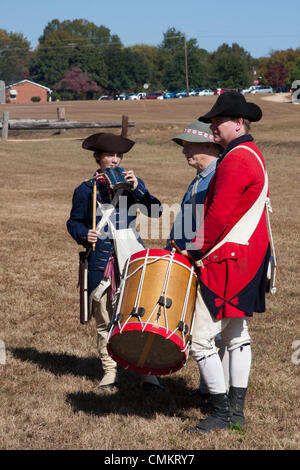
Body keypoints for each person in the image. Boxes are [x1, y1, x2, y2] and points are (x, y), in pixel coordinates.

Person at [182, 91, 270, 433]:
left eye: (219, 122)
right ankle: (236, 412)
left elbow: (219, 215)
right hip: (246, 257)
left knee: (202, 338)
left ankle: (221, 412)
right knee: (236, 334)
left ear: (239, 123)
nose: (213, 128)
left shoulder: (235, 159)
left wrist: (193, 250)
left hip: (226, 259)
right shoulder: (250, 153)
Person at [67, 132, 163, 391]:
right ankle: (110, 372)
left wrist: (138, 189)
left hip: (131, 259)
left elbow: (157, 211)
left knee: (140, 317)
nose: (115, 160)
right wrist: (83, 234)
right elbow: (74, 221)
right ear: (98, 158)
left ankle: (147, 373)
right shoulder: (86, 189)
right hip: (101, 262)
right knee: (104, 320)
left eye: (118, 155)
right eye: (109, 155)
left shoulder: (133, 186)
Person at [165, 120, 229, 395]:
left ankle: (216, 393)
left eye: (188, 145)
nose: (184, 151)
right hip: (189, 259)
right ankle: (211, 388)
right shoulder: (199, 179)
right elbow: (186, 221)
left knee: (214, 331)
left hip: (209, 263)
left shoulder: (218, 178)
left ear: (209, 146)